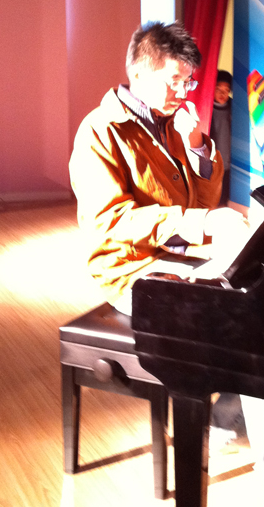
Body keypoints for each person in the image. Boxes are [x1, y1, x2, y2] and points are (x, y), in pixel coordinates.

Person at [69, 21, 248, 315]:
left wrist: (196, 146)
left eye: (188, 82)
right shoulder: (99, 130)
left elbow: (203, 204)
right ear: (139, 74)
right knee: (215, 316)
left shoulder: (174, 124)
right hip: (130, 269)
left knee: (246, 289)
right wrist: (202, 223)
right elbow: (110, 221)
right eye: (173, 80)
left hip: (179, 256)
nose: (183, 92)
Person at [209, 69, 232, 206]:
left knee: (227, 199)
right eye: (218, 89)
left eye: (226, 90)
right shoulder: (206, 109)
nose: (223, 94)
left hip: (230, 165)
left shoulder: (234, 109)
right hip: (212, 165)